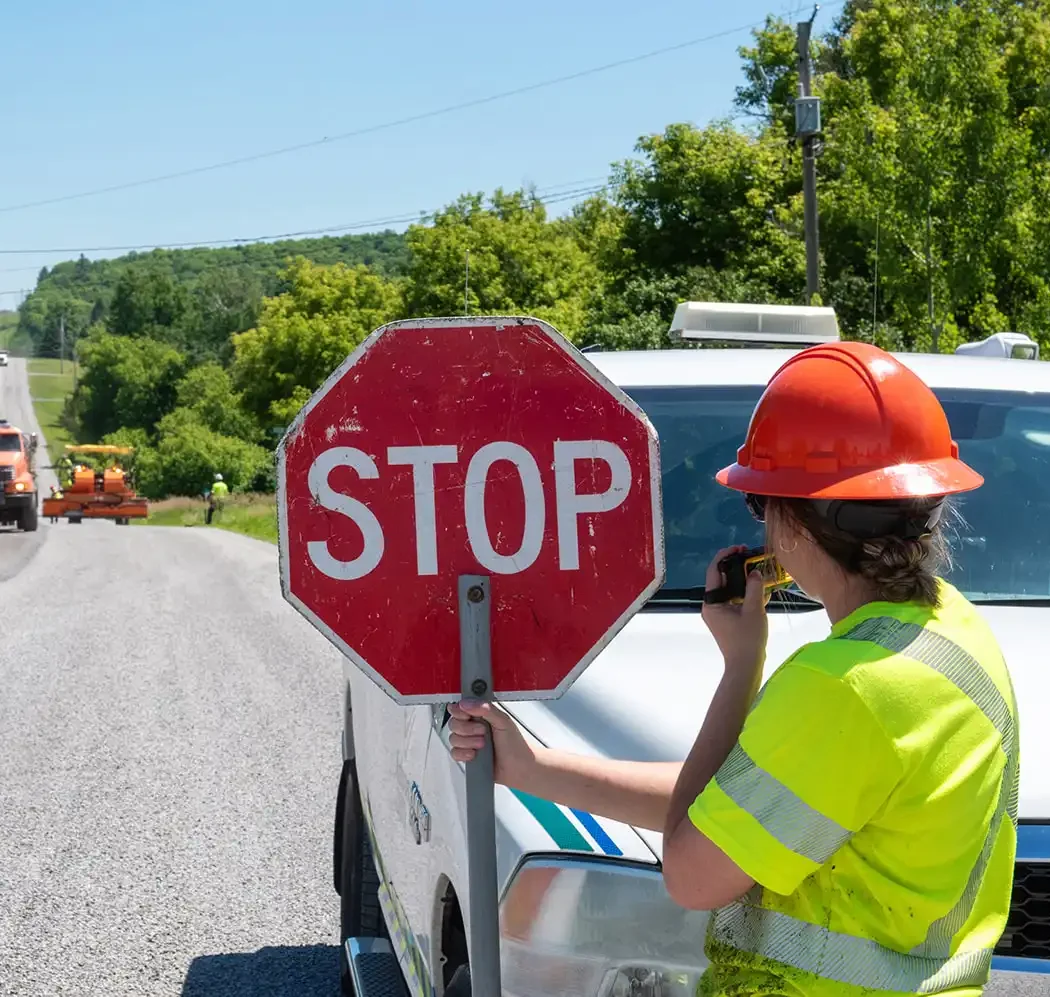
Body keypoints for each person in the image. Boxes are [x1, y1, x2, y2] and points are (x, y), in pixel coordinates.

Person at [449, 341, 1019, 997]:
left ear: (796, 523)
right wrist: (535, 769)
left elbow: (692, 870)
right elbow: (747, 805)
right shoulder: (960, 636)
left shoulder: (843, 686)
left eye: (761, 506)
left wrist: (740, 669)